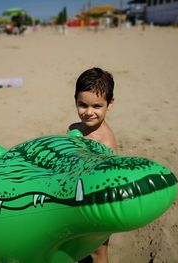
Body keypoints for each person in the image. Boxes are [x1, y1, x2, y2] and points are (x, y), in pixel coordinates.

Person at [68, 67, 117, 263]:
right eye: (83, 105)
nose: (89, 112)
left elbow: (106, 180)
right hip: (76, 198)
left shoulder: (105, 142)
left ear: (109, 104)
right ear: (76, 101)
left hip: (99, 205)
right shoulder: (74, 128)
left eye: (97, 106)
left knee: (98, 253)